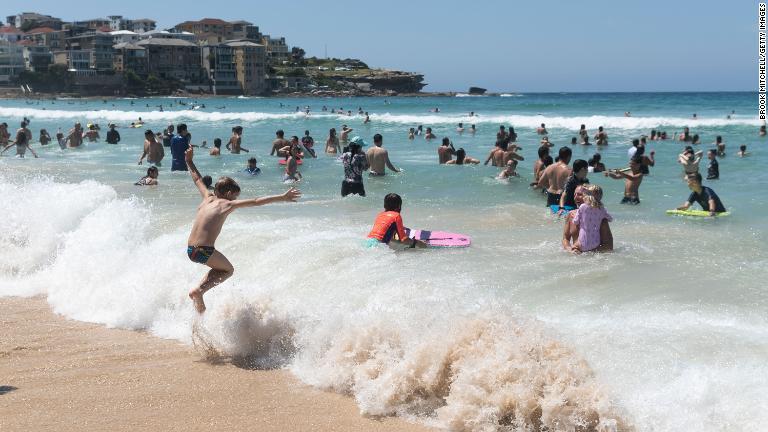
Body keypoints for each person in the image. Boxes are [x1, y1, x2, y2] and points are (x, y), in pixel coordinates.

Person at [184, 147, 300, 313]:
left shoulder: (207, 198)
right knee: (228, 270)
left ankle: (199, 291)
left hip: (190, 250)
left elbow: (197, 179)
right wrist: (282, 197)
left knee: (218, 269)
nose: (235, 200)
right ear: (230, 193)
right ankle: (199, 291)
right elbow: (256, 201)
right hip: (204, 250)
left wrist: (189, 161)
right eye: (235, 197)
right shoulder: (227, 204)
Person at [562, 185, 613, 253]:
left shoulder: (601, 218)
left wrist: (588, 253)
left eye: (580, 194)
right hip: (575, 257)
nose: (575, 197)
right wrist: (569, 249)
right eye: (574, 194)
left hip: (593, 259)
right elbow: (565, 238)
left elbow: (609, 246)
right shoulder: (571, 215)